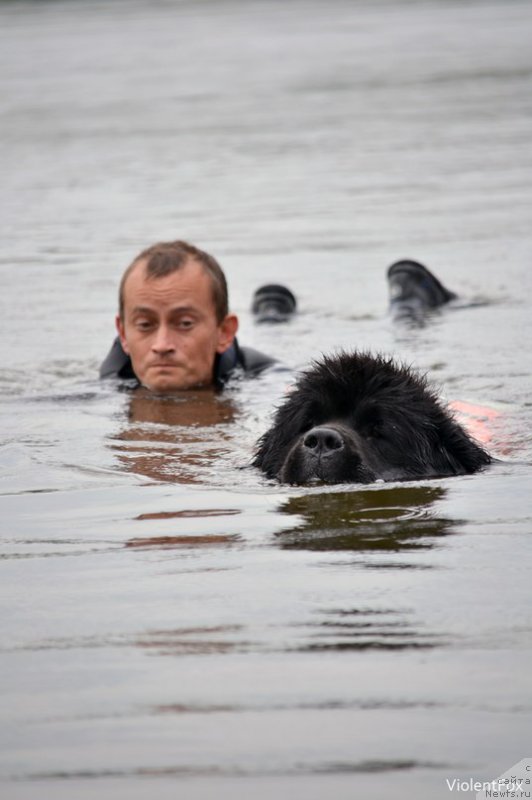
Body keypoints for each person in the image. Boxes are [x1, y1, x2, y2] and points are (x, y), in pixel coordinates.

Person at [100, 240, 281, 392]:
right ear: (123, 334)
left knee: (273, 322)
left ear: (224, 332)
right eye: (145, 324)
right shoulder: (106, 387)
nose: (162, 346)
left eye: (185, 323)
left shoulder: (268, 379)